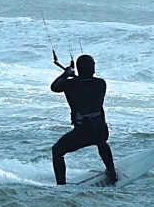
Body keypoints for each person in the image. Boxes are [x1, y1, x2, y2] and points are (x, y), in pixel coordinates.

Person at [49, 53, 116, 186]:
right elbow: (85, 86)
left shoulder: (70, 85)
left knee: (57, 151)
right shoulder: (100, 83)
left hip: (82, 132)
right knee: (101, 142)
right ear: (91, 68)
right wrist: (76, 78)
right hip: (100, 130)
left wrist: (66, 74)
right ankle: (111, 170)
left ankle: (61, 185)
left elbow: (54, 87)